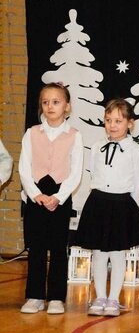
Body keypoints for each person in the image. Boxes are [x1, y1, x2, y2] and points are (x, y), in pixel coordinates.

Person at [74, 99, 139, 317]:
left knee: (117, 255)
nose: (112, 125)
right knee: (98, 254)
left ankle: (114, 298)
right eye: (108, 120)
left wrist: (130, 208)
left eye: (118, 121)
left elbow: (138, 182)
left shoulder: (136, 150)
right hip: (99, 203)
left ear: (130, 123)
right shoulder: (97, 147)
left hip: (122, 204)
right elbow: (93, 174)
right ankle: (100, 297)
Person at [18, 82, 83, 314]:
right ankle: (34, 296)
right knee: (36, 247)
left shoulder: (74, 136)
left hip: (60, 197)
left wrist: (59, 197)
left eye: (56, 102)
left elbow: (75, 172)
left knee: (57, 248)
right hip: (36, 196)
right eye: (45, 102)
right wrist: (35, 194)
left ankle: (56, 297)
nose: (50, 106)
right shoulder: (32, 133)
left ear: (67, 106)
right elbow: (24, 168)